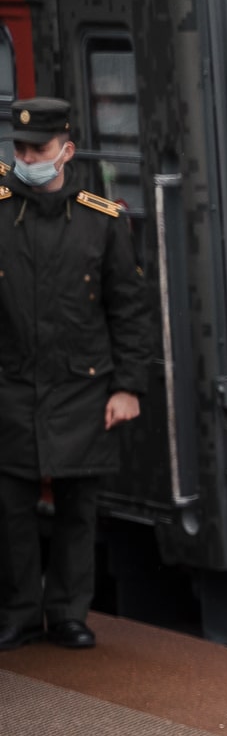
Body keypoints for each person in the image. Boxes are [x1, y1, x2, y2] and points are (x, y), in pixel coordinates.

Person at [0, 98, 152, 652]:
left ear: (65, 150)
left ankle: (68, 612)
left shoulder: (100, 219)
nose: (25, 159)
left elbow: (127, 309)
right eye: (18, 149)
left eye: (36, 150)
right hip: (11, 384)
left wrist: (128, 386)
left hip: (82, 384)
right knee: (10, 508)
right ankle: (18, 612)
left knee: (77, 509)